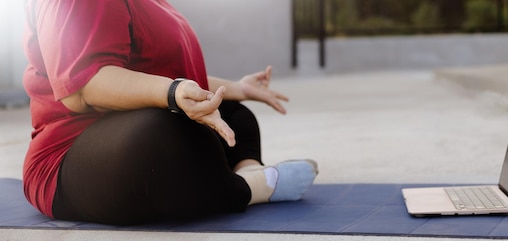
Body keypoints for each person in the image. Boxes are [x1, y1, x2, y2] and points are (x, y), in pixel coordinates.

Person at [22, 0, 318, 225]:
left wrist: (237, 88)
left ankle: (247, 169)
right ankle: (252, 187)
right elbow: (85, 89)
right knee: (164, 134)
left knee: (234, 115)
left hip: (141, 130)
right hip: (73, 154)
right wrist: (173, 94)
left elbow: (165, 76)